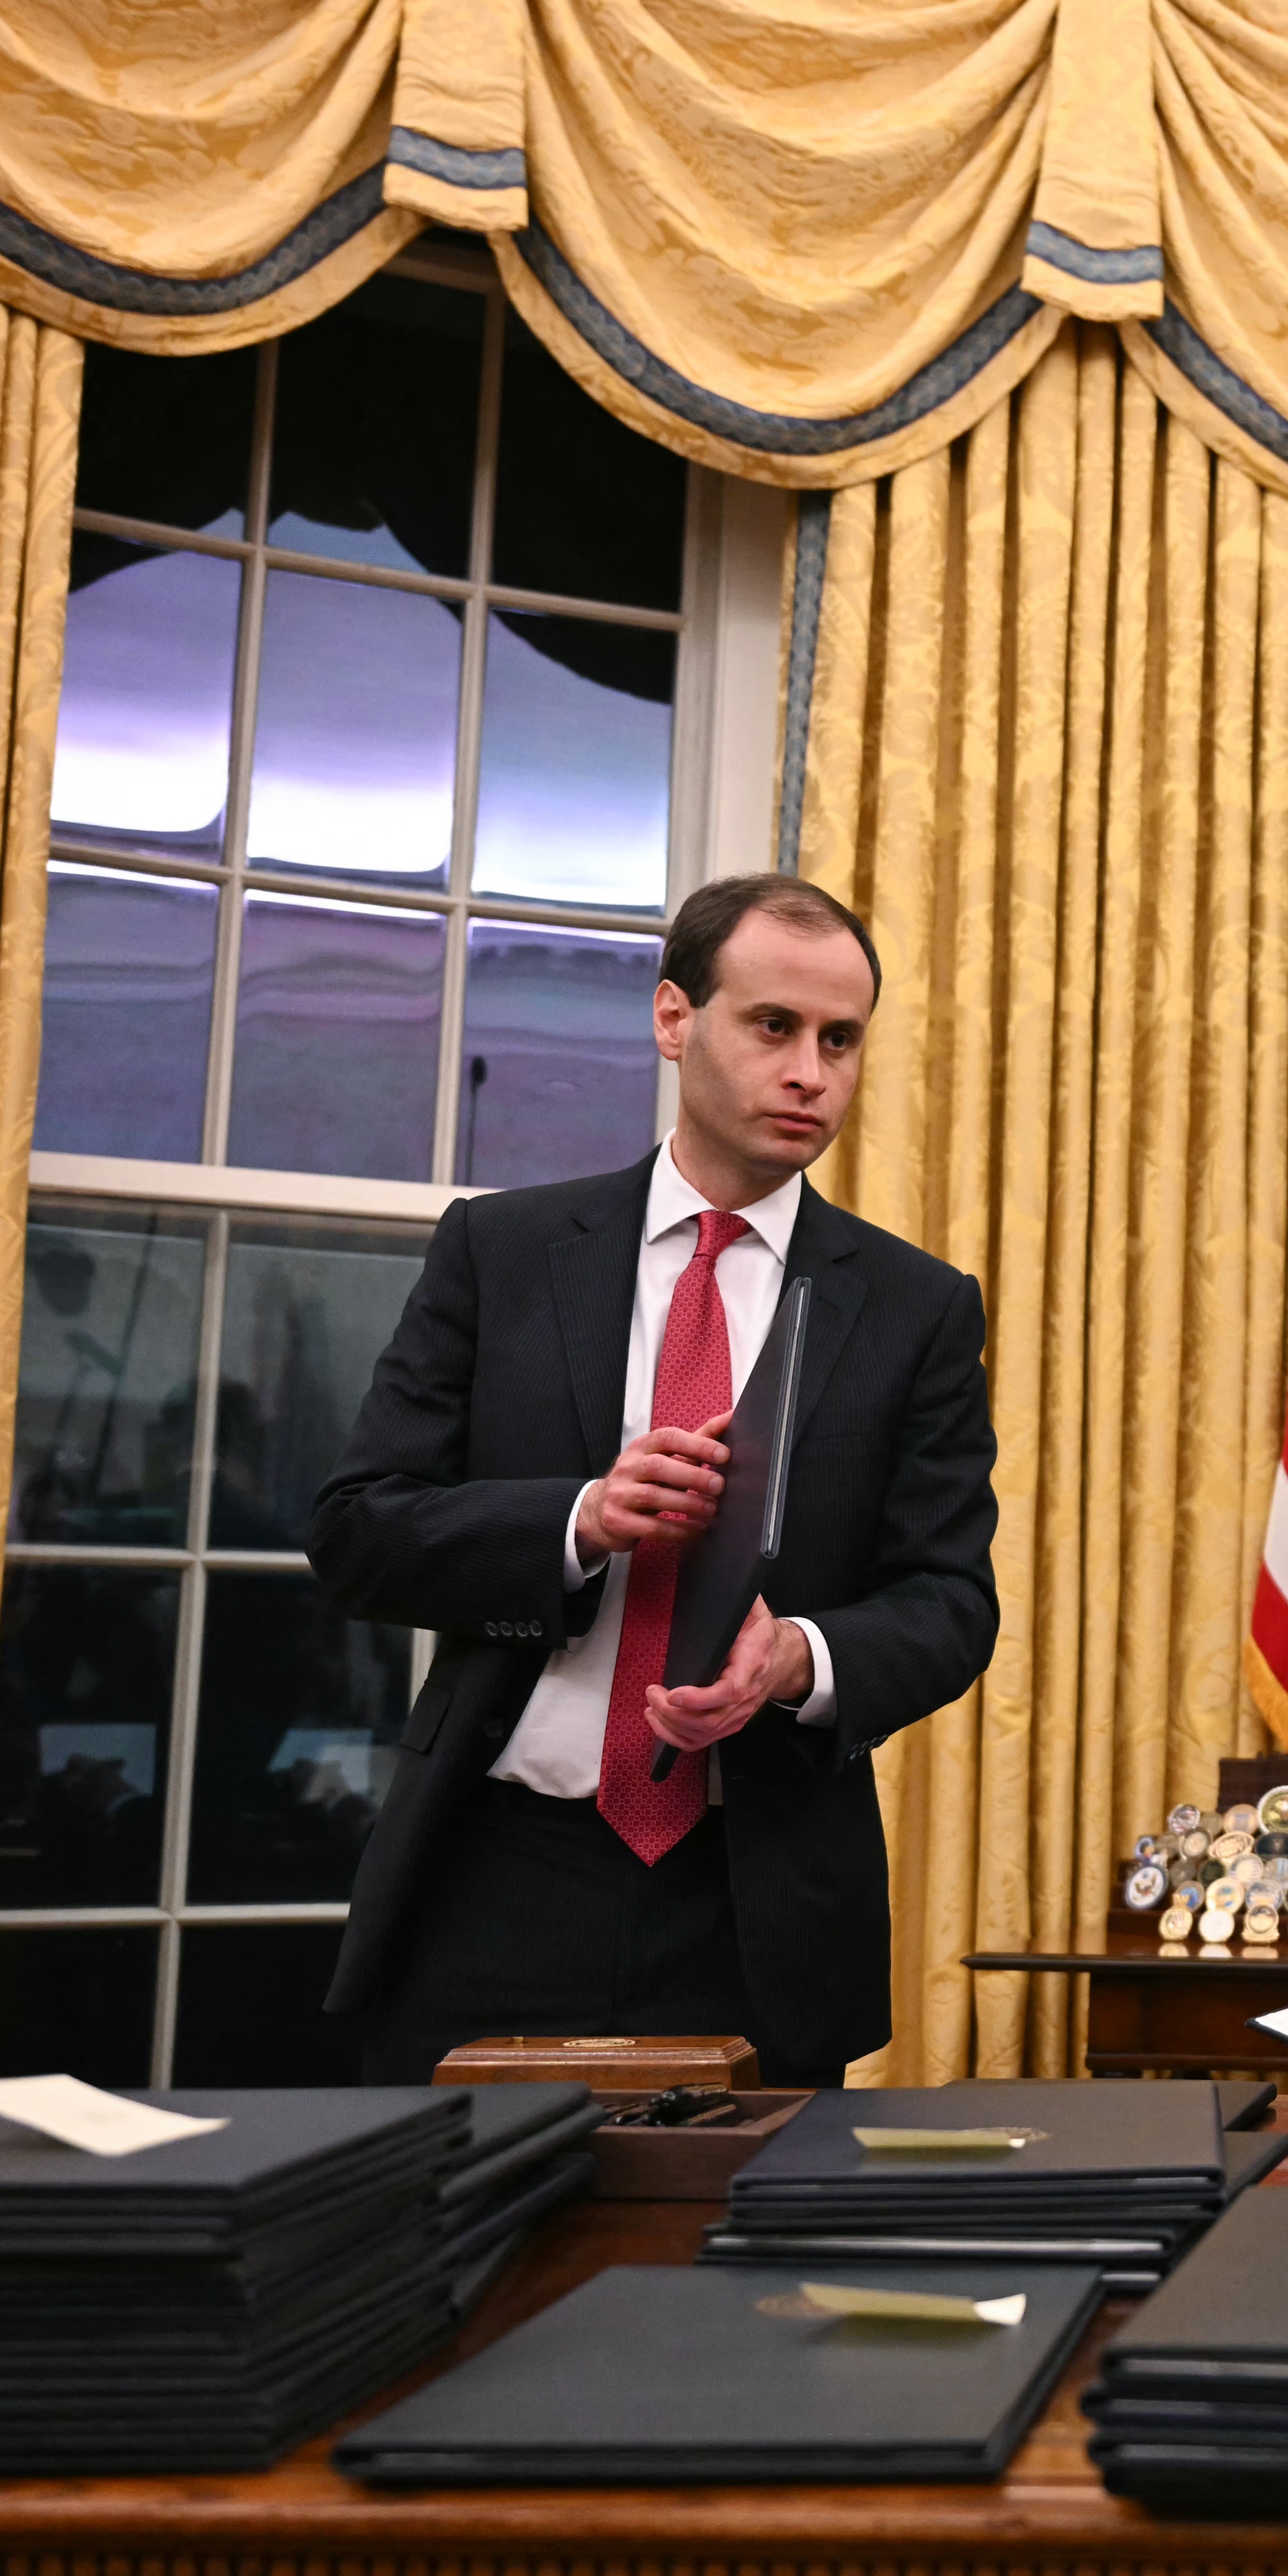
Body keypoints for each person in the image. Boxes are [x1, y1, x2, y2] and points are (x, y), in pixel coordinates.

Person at [311, 876, 997, 2086]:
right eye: (772, 1026)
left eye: (840, 1040)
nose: (810, 1072)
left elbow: (950, 1603)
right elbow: (359, 1530)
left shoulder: (913, 1310)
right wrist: (576, 1520)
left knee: (735, 2274)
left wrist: (796, 1660)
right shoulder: (504, 1253)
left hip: (757, 1903)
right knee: (470, 2265)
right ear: (674, 1019)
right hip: (497, 1874)